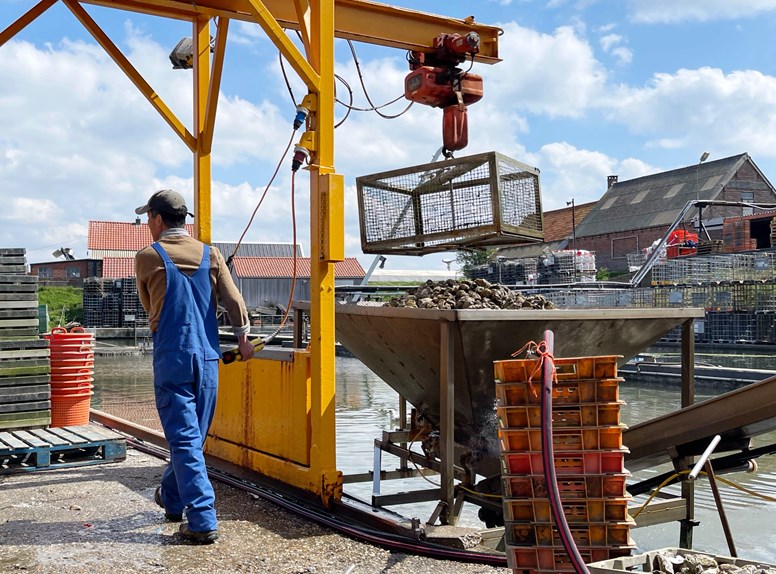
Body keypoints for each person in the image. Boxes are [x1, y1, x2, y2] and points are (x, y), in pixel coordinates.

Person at [134, 189, 255, 544]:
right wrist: (244, 339)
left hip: (173, 357)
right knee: (191, 439)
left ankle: (201, 519)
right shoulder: (211, 254)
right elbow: (234, 300)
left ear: (157, 219)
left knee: (185, 440)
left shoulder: (147, 257)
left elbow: (148, 305)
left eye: (148, 219)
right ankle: (172, 500)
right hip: (208, 359)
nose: (147, 226)